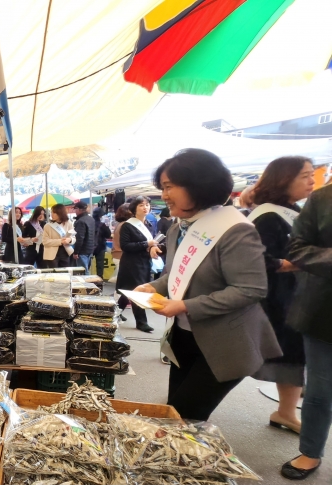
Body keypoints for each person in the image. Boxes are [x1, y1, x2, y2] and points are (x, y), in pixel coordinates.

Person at [135, 148, 281, 421]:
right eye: (162, 187)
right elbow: (176, 274)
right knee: (175, 414)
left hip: (225, 343)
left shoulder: (235, 229)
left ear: (199, 185)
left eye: (169, 187)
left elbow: (250, 290)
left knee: (183, 416)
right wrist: (154, 287)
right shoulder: (179, 227)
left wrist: (184, 305)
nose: (163, 195)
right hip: (183, 336)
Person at [249, 156, 315, 435]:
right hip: (278, 298)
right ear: (284, 178)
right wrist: (297, 264)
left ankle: (285, 412)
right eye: (305, 176)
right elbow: (257, 258)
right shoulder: (268, 215)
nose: (312, 181)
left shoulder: (291, 210)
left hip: (292, 295)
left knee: (292, 355)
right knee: (284, 353)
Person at [280, 183, 332, 480]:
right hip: (324, 310)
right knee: (320, 390)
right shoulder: (324, 198)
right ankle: (311, 451)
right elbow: (295, 247)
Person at [116, 196, 159, 333]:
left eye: (147, 205)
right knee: (137, 291)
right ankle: (141, 322)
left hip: (145, 261)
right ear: (134, 209)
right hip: (132, 263)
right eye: (141, 205)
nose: (145, 207)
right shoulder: (128, 225)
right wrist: (147, 244)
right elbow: (125, 246)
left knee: (128, 291)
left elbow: (152, 242)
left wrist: (153, 247)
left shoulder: (149, 224)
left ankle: (114, 312)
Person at [43, 203, 75, 268]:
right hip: (51, 254)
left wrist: (70, 240)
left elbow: (73, 237)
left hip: (65, 252)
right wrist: (60, 241)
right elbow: (45, 242)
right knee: (54, 275)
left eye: (54, 213)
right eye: (51, 212)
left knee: (65, 273)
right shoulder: (48, 226)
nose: (52, 214)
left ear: (61, 213)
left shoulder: (69, 223)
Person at [72, 201, 95, 274]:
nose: (75, 211)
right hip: (90, 249)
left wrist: (76, 252)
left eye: (75, 209)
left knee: (83, 272)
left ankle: (86, 285)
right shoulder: (91, 219)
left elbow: (80, 238)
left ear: (78, 209)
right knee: (86, 269)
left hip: (82, 250)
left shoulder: (80, 221)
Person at [92, 207, 112, 280]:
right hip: (100, 246)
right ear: (100, 216)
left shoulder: (90, 223)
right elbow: (108, 235)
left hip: (90, 246)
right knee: (100, 264)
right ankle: (99, 279)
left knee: (87, 264)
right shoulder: (102, 225)